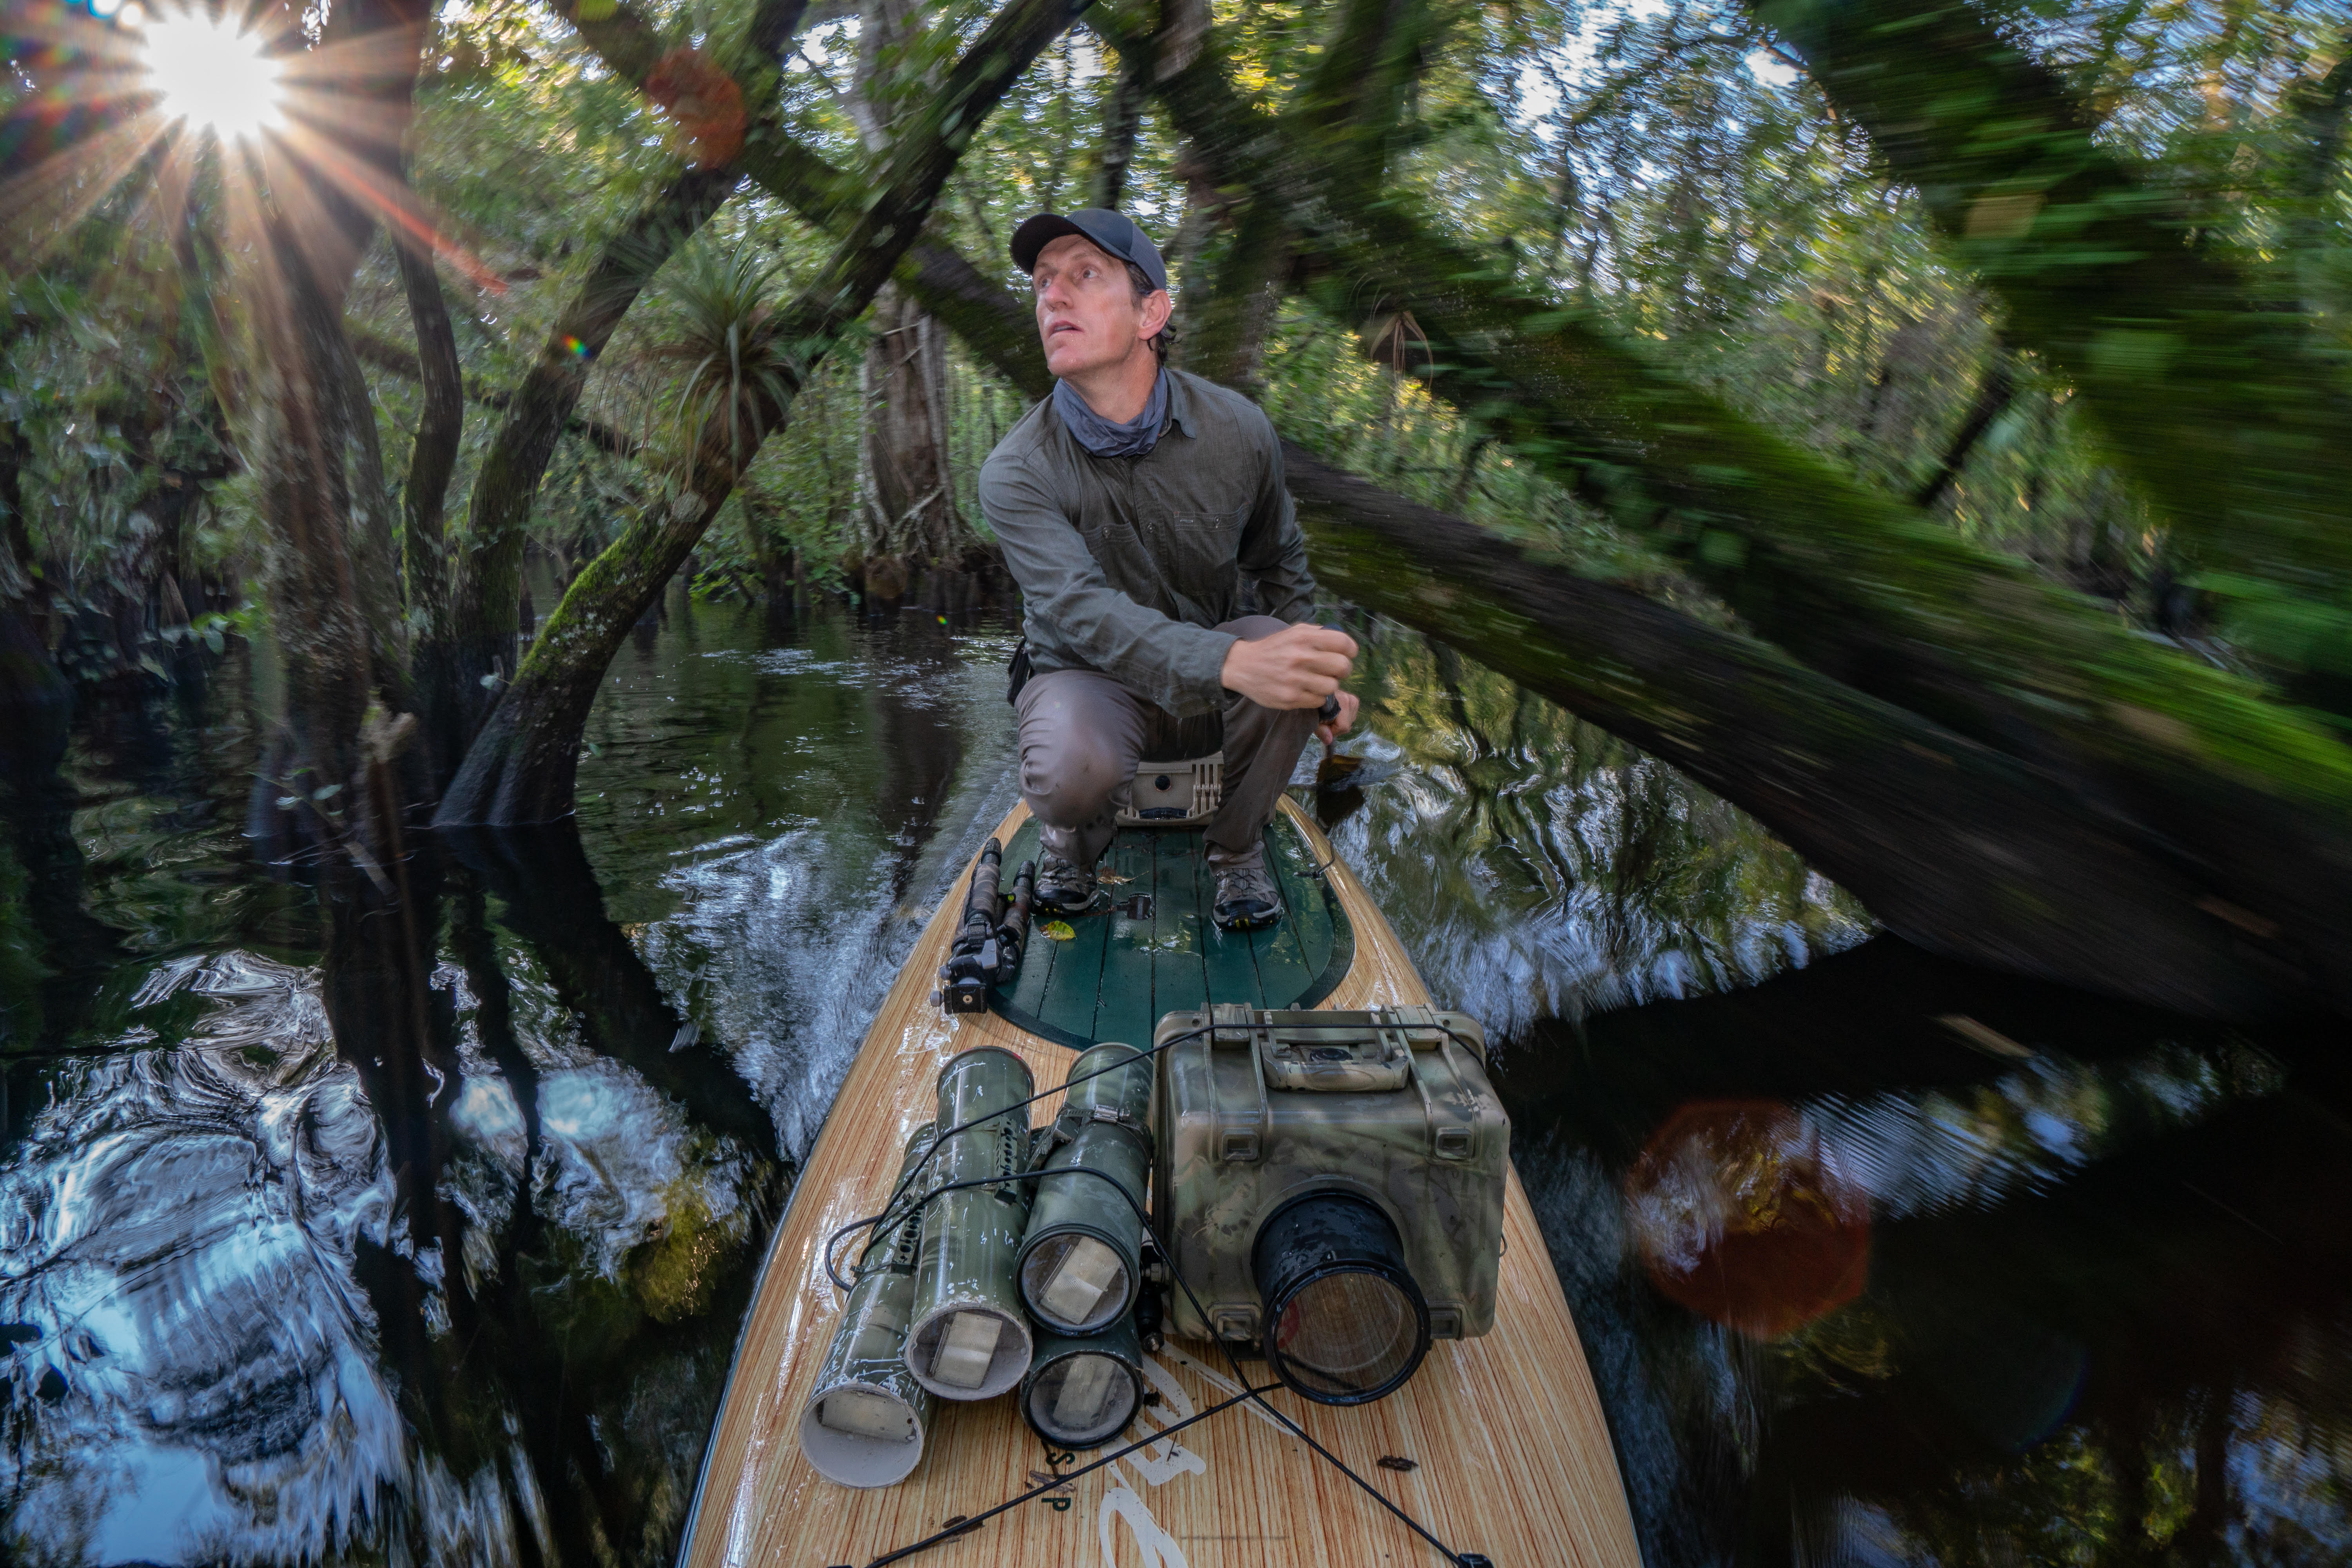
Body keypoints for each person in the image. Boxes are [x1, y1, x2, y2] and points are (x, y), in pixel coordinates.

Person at [979, 208, 1359, 931]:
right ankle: (1073, 850)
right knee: (1069, 767)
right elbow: (1083, 614)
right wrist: (1233, 661)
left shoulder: (1240, 431)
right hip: (1087, 683)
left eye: (1084, 276)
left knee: (1286, 651)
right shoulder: (1015, 470)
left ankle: (1238, 851)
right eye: (1042, 283)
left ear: (1152, 310)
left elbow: (1280, 567)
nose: (1052, 297)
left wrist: (1316, 678)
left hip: (1209, 690)